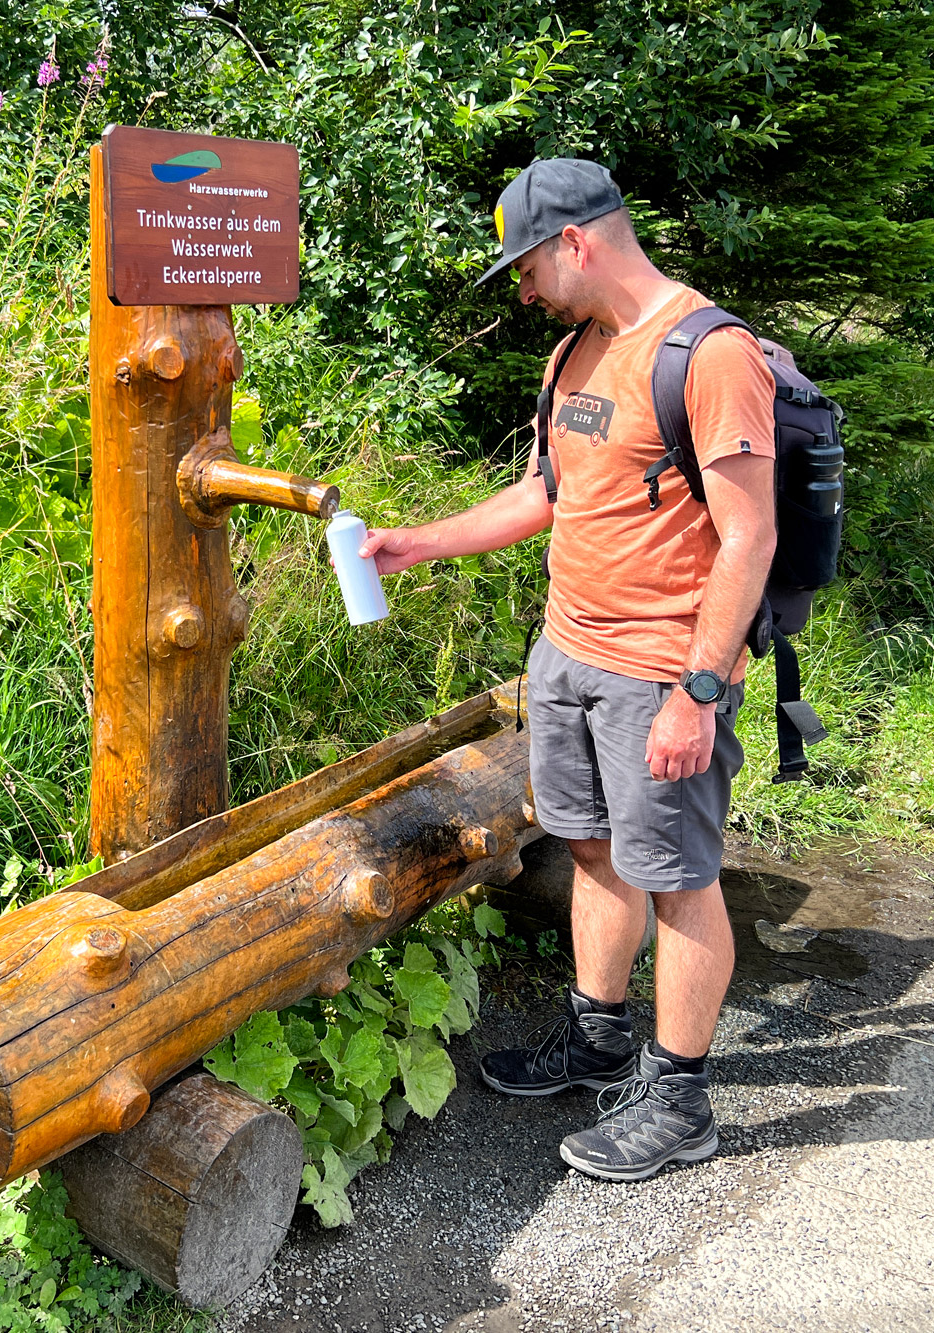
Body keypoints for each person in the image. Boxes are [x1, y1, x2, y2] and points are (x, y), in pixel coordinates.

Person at [357, 159, 777, 1182]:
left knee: (677, 880)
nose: (522, 289)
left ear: (575, 241)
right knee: (589, 852)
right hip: (565, 658)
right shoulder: (572, 356)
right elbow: (544, 491)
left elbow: (747, 537)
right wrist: (421, 541)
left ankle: (678, 1100)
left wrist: (697, 691)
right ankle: (597, 1037)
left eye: (527, 267)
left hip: (659, 674)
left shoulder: (708, 356)